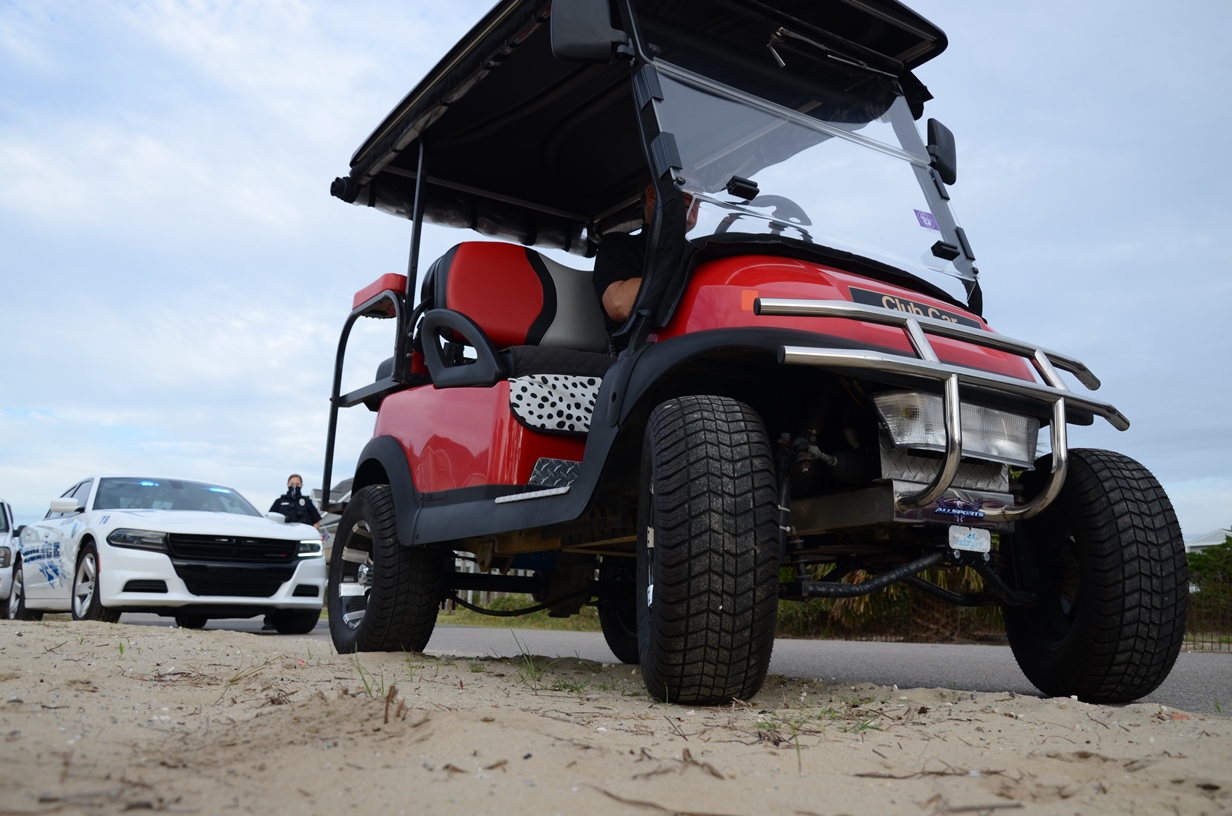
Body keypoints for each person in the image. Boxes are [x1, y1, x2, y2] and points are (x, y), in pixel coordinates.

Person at [592, 182, 698, 351]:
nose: (693, 197)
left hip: (701, 345)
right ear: (653, 195)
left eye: (698, 192)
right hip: (639, 355)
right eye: (684, 185)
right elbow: (619, 305)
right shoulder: (617, 245)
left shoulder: (700, 253)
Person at [264, 474, 322, 631]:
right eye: (291, 483)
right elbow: (269, 520)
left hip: (300, 544)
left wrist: (310, 534)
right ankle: (269, 620)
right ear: (287, 484)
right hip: (282, 544)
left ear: (302, 485)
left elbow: (316, 523)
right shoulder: (279, 502)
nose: (294, 485)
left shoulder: (307, 503)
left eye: (297, 483)